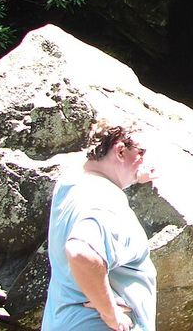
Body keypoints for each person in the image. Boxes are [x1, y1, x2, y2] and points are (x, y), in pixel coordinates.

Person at [42, 121, 157, 331]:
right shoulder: (105, 203)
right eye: (141, 153)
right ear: (120, 151)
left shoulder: (73, 180)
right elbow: (81, 252)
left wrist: (135, 174)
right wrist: (110, 312)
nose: (143, 159)